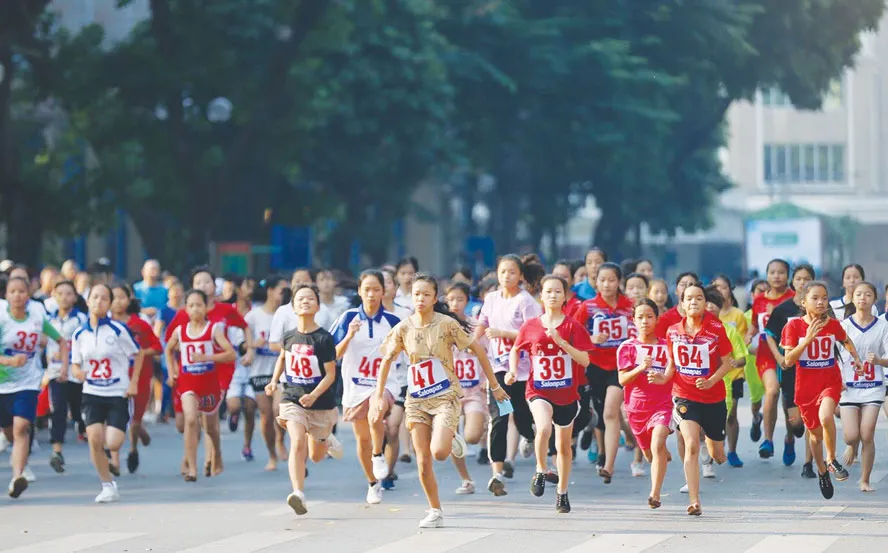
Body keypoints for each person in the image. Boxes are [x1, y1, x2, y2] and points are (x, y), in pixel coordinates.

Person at [376, 274, 506, 528]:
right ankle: (434, 509)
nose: (421, 299)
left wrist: (495, 384)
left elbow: (478, 350)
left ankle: (450, 439)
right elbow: (386, 359)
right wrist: (378, 396)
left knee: (439, 452)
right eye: (416, 294)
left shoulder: (446, 324)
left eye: (426, 294)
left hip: (445, 397)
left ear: (435, 298)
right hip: (417, 400)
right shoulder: (403, 327)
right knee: (423, 459)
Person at [511, 275, 593, 513]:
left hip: (567, 394)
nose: (553, 295)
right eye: (548, 291)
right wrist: (513, 371)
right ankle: (539, 469)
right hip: (538, 389)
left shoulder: (573, 327)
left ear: (565, 296)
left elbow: (585, 359)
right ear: (541, 296)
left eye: (558, 291)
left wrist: (562, 343)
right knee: (544, 428)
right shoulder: (531, 326)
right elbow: (516, 350)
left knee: (564, 447)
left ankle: (562, 493)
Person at [165, 267, 253, 475]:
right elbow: (171, 344)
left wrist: (249, 350)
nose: (203, 286)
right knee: (186, 421)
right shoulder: (183, 315)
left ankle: (208, 458)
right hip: (190, 373)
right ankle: (192, 457)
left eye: (207, 282)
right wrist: (174, 368)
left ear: (215, 286)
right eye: (198, 283)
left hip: (220, 371)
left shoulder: (225, 311)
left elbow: (244, 327)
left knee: (207, 419)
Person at [781, 280, 863, 499]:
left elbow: (845, 340)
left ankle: (831, 459)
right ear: (803, 301)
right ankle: (822, 471)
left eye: (824, 298)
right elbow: (788, 360)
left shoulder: (831, 324)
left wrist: (856, 359)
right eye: (815, 298)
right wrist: (807, 339)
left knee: (826, 416)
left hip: (830, 382)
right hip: (806, 389)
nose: (820, 302)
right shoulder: (793, 327)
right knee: (815, 437)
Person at [266, 284, 343, 515]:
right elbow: (282, 358)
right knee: (297, 441)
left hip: (320, 403)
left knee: (316, 457)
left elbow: (330, 374)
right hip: (292, 399)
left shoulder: (323, 339)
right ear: (293, 306)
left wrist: (314, 395)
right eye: (300, 299)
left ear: (318, 306)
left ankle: (325, 440)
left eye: (310, 298)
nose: (305, 302)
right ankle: (298, 493)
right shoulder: (289, 336)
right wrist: (274, 381)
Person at [330, 270, 403, 505]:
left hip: (385, 384)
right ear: (360, 291)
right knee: (362, 440)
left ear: (384, 291)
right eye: (367, 289)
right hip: (355, 386)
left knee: (377, 410)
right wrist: (350, 335)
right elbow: (333, 355)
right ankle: (373, 483)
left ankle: (378, 454)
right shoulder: (347, 318)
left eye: (376, 289)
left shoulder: (393, 322)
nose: (371, 294)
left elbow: (409, 351)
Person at [475, 254, 542, 495]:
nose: (507, 276)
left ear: (521, 276)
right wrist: (470, 343)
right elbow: (482, 323)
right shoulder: (491, 298)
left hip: (523, 372)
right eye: (503, 272)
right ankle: (497, 473)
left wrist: (504, 333)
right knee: (500, 418)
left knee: (522, 417)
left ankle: (530, 435)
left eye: (512, 272)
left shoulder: (526, 302)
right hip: (499, 370)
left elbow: (536, 335)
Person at [666, 281, 733, 516]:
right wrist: (662, 378)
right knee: (692, 444)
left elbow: (728, 363)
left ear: (706, 304)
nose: (693, 302)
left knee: (718, 455)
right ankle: (695, 501)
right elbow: (672, 365)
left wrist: (711, 381)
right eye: (689, 298)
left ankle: (716, 452)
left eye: (699, 298)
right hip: (685, 396)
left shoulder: (716, 329)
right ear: (682, 304)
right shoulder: (673, 331)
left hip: (713, 397)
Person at [71, 284, 142, 503]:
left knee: (112, 443)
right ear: (88, 301)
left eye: (104, 298)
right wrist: (78, 373)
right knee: (94, 439)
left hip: (117, 392)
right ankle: (107, 484)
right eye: (95, 297)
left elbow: (138, 355)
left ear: (109, 304)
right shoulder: (79, 333)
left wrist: (133, 383)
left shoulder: (118, 330)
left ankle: (111, 451)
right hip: (92, 391)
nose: (99, 301)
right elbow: (75, 364)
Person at [1, 276, 69, 498]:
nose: (18, 295)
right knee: (9, 430)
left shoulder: (37, 317)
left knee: (21, 427)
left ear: (28, 294)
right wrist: (9, 361)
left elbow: (61, 340)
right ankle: (20, 459)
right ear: (6, 295)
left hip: (28, 382)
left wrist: (64, 366)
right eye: (13, 291)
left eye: (22, 291)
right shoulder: (2, 318)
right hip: (2, 383)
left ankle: (16, 476)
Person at [572, 262, 635, 484]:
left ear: (619, 282)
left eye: (611, 280)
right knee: (603, 414)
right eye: (602, 280)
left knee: (610, 412)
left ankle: (608, 465)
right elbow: (573, 337)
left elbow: (641, 334)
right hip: (594, 368)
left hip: (621, 367)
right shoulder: (587, 307)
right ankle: (628, 436)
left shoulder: (630, 307)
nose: (606, 284)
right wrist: (590, 340)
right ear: (595, 282)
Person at [618, 299, 673, 508]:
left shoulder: (666, 347)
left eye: (649, 316)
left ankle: (655, 494)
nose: (645, 321)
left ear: (657, 319)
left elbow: (672, 373)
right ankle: (660, 453)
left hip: (662, 405)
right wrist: (640, 368)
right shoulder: (627, 347)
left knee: (657, 441)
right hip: (636, 408)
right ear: (633, 320)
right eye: (640, 317)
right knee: (651, 453)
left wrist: (662, 377)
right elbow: (622, 379)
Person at [763, 265, 815, 473]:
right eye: (799, 279)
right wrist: (779, 357)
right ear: (793, 283)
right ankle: (790, 437)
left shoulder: (820, 309)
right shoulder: (783, 310)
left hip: (814, 371)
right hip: (791, 373)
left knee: (812, 420)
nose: (803, 283)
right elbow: (769, 335)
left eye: (807, 279)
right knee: (797, 425)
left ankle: (808, 464)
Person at [837, 281, 887, 492]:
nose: (863, 298)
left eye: (867, 294)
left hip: (873, 386)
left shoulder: (883, 325)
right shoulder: (844, 326)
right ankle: (851, 445)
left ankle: (864, 479)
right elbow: (835, 356)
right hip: (849, 387)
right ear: (853, 298)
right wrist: (836, 379)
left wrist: (879, 361)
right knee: (851, 435)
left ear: (874, 299)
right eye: (859, 294)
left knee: (867, 434)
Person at [109, 284, 162, 474]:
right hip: (114, 379)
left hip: (139, 377)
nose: (118, 302)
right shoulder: (105, 324)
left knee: (135, 418)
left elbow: (158, 348)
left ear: (130, 299)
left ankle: (133, 448)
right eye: (113, 297)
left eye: (122, 297)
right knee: (114, 418)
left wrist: (140, 353)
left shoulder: (140, 324)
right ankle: (114, 462)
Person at [239, 276, 289, 470]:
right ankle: (271, 454)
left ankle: (280, 440)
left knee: (279, 409)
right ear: (269, 290)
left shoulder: (287, 314)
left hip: (282, 371)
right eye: (280, 291)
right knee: (266, 415)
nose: (283, 295)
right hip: (259, 371)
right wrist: (252, 346)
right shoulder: (253, 316)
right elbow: (243, 344)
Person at [747, 259, 794, 460]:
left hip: (790, 355)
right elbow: (754, 326)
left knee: (788, 400)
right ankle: (768, 440)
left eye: (781, 272)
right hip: (766, 354)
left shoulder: (794, 299)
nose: (777, 276)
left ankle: (790, 439)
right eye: (772, 272)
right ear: (767, 275)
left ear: (788, 276)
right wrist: (749, 336)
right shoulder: (759, 301)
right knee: (772, 391)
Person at [445, 282, 488, 494]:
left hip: (473, 391)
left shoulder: (475, 325)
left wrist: (488, 380)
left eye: (460, 299)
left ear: (467, 301)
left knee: (471, 436)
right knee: (452, 439)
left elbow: (487, 353)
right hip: (449, 393)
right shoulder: (440, 326)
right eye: (451, 299)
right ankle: (466, 480)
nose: (455, 304)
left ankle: (479, 431)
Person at [46, 280, 89, 473]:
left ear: (75, 296)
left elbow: (87, 343)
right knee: (58, 411)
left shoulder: (81, 319)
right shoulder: (48, 319)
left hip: (76, 372)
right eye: (60, 293)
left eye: (68, 293)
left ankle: (88, 433)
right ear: (54, 295)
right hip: (55, 372)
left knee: (80, 411)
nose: (64, 297)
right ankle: (57, 450)